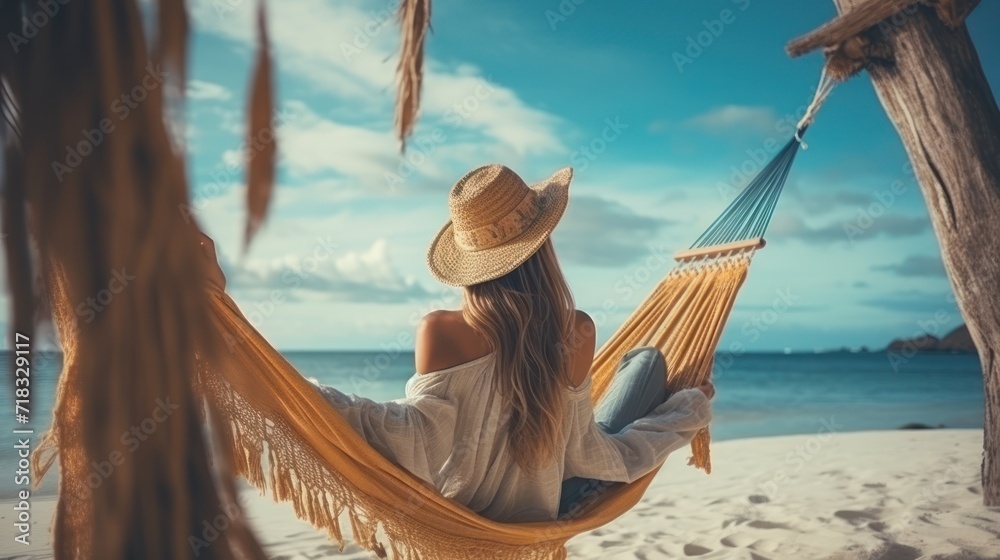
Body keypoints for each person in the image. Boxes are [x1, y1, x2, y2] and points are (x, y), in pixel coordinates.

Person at [206, 164, 714, 522]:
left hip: (467, 519)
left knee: (643, 363)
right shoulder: (576, 329)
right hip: (555, 505)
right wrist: (684, 413)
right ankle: (652, 372)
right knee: (647, 362)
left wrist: (269, 376)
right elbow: (586, 452)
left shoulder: (440, 330)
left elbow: (412, 441)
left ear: (471, 264)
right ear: (544, 246)